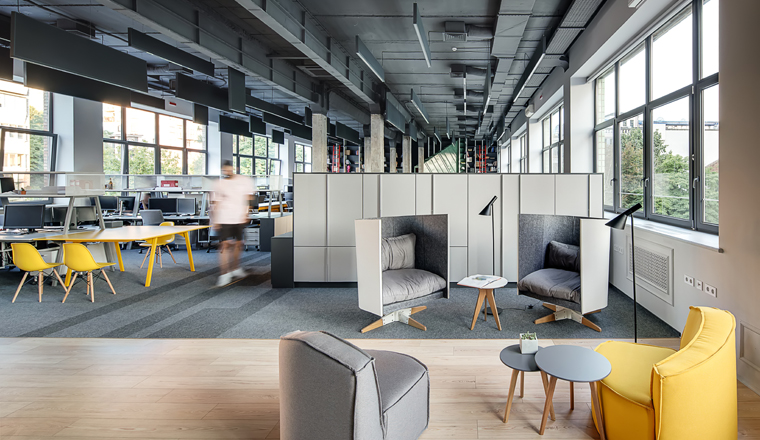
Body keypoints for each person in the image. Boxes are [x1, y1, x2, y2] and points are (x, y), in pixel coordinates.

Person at [211, 160, 254, 286]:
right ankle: (224, 273)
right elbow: (216, 203)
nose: (227, 173)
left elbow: (249, 198)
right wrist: (215, 220)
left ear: (234, 168)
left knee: (239, 244)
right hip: (224, 218)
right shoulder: (219, 184)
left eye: (229, 170)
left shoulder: (244, 180)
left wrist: (247, 213)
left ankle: (235, 268)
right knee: (224, 245)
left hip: (239, 218)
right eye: (224, 171)